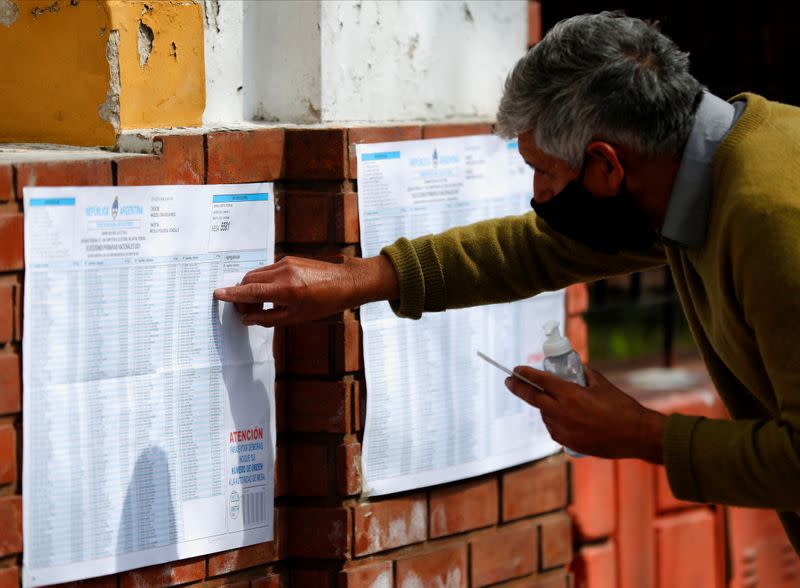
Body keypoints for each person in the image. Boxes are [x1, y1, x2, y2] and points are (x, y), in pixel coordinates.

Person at [214, 12, 800, 552]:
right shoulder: (689, 174)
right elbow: (532, 251)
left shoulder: (771, 217)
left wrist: (641, 432)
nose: (538, 197)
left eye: (544, 173)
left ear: (606, 165)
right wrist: (357, 280)